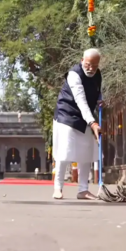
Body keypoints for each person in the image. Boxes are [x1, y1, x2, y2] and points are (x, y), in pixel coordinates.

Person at [52, 48, 104, 200]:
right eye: (88, 64)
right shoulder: (74, 75)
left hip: (84, 117)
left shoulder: (97, 74)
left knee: (86, 152)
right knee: (64, 151)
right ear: (82, 61)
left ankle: (83, 190)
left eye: (94, 65)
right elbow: (80, 99)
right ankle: (58, 187)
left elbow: (97, 90)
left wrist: (100, 99)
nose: (90, 68)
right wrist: (93, 122)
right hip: (66, 115)